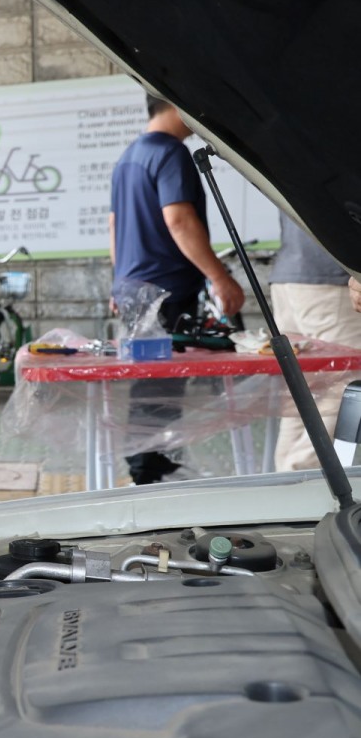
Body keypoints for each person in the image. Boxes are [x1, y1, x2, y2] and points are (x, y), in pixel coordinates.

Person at [108, 94, 246, 483]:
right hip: (165, 289)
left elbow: (115, 225)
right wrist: (220, 277)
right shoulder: (171, 154)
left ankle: (151, 466)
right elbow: (179, 220)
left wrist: (117, 280)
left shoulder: (129, 156)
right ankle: (150, 473)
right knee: (161, 384)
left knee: (149, 381)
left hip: (133, 287)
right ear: (175, 104)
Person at [271, 214, 361, 469]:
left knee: (302, 391)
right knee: (344, 388)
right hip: (333, 280)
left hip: (293, 274)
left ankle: (288, 484)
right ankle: (304, 477)